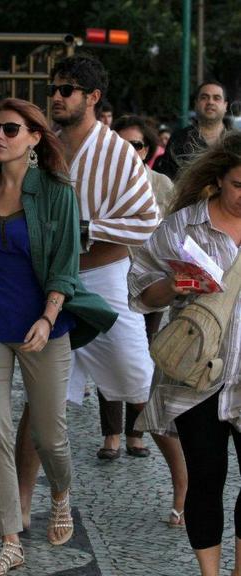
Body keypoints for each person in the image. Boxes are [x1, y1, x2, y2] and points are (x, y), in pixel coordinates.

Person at [0, 53, 187, 535]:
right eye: (55, 89)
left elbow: (145, 221)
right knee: (41, 404)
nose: (57, 97)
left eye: (67, 90)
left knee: (142, 391)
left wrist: (80, 229)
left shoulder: (117, 152)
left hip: (103, 283)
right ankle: (19, 509)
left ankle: (185, 491)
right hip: (47, 287)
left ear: (93, 98)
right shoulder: (44, 148)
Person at [0, 97, 117, 575]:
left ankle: (60, 491)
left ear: (35, 139)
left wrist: (47, 317)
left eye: (11, 129)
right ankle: (10, 540)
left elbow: (64, 266)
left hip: (44, 324)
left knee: (49, 436)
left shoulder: (58, 192)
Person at [128, 130, 241, 576]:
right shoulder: (183, 226)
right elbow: (140, 289)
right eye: (238, 185)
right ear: (218, 179)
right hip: (198, 378)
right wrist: (172, 285)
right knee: (206, 480)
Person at [94, 114, 174, 461]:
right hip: (110, 279)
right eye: (122, 143)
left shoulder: (162, 185)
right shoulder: (103, 184)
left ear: (148, 149)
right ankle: (111, 433)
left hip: (151, 282)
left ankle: (136, 433)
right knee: (110, 351)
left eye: (137, 144)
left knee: (144, 359)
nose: (129, 150)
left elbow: (174, 233)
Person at [155, 81, 230, 180]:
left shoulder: (236, 140)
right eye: (204, 97)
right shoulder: (179, 139)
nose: (210, 102)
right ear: (196, 104)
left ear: (225, 105)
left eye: (217, 98)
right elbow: (166, 181)